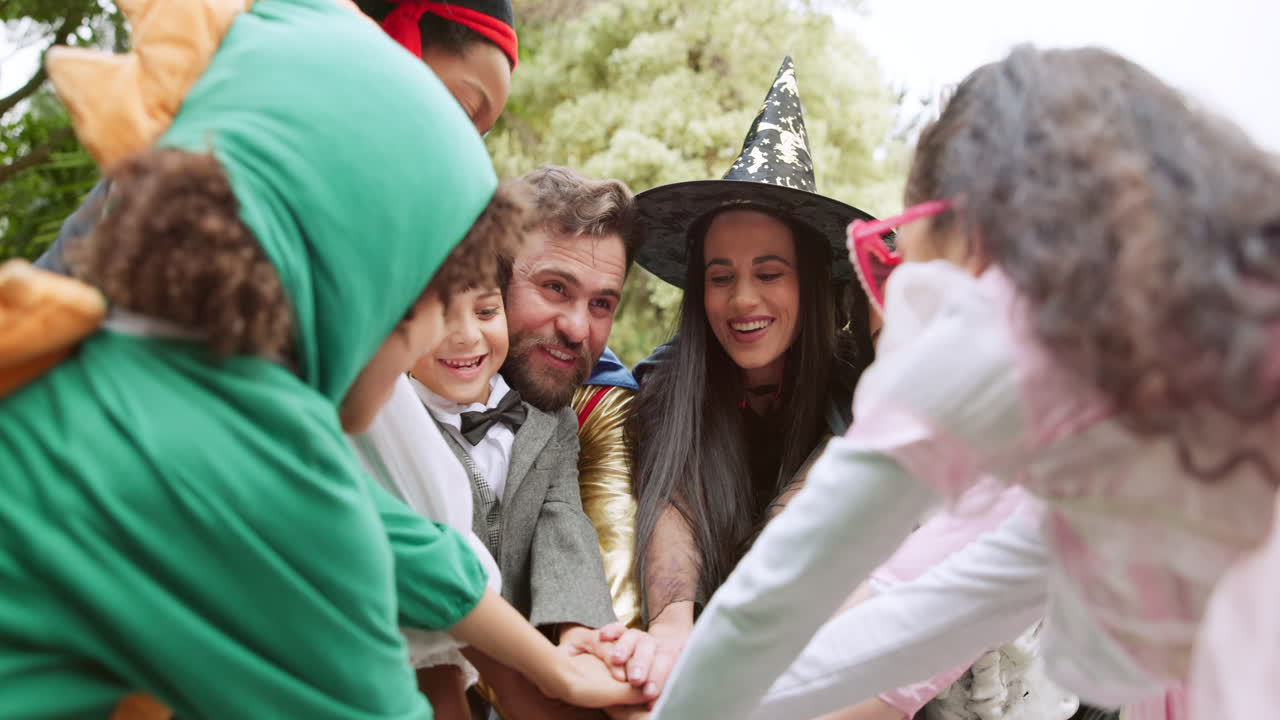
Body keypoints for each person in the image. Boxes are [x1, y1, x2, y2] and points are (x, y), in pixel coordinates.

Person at [0, 1, 644, 718]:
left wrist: (553, 668)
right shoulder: (233, 457)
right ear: (367, 259)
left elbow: (388, 537)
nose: (447, 330)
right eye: (436, 285)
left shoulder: (155, 374)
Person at [648, 45, 1280, 720]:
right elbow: (928, 613)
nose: (897, 294)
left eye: (896, 250)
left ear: (970, 227)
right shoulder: (1123, 414)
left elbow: (782, 595)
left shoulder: (991, 334)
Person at [625, 55, 878, 699]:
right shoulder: (667, 381)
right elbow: (674, 498)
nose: (742, 300)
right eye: (720, 277)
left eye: (768, 274)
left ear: (811, 282)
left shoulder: (861, 387)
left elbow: (812, 515)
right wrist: (671, 626)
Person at [35, 0, 518, 276]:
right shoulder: (222, 161)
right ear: (389, 48)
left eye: (481, 135)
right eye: (462, 111)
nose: (466, 157)